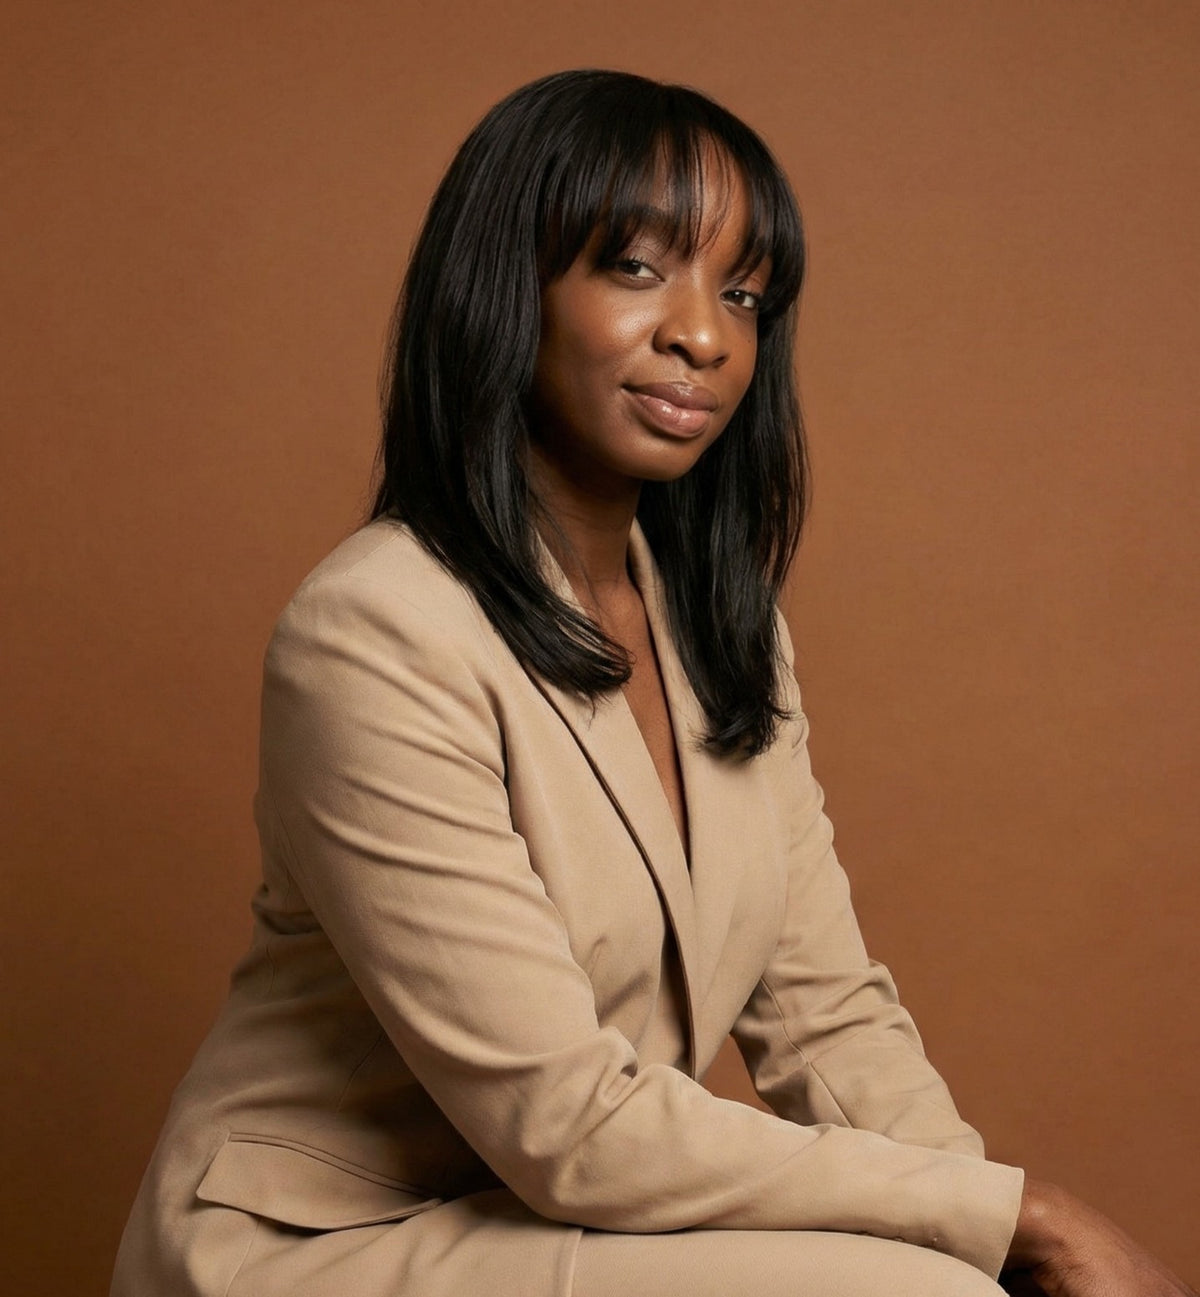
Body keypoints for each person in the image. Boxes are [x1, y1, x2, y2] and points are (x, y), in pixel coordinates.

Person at [111, 70, 1194, 1297]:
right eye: (636, 268)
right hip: (329, 1249)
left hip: (561, 1226)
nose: (706, 335)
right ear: (508, 283)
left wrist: (1003, 1249)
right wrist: (1020, 1218)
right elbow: (566, 1122)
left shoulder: (723, 631)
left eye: (743, 293)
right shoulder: (376, 632)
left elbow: (826, 1019)